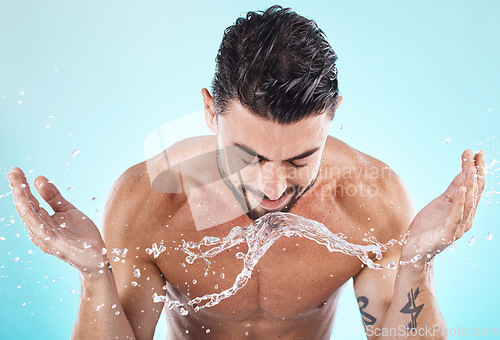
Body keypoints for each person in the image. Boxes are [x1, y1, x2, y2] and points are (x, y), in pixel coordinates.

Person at [7, 5, 485, 340]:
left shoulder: (368, 200)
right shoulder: (152, 200)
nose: (274, 188)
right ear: (210, 112)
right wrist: (94, 275)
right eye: (249, 157)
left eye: (300, 159)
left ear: (333, 114)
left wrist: (417, 261)